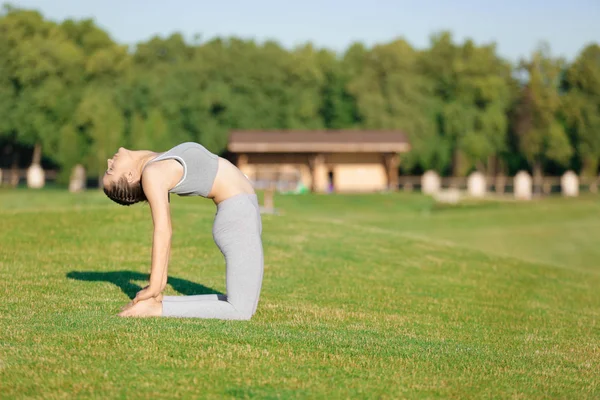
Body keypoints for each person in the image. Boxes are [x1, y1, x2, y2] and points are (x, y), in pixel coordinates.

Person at [102, 142, 264, 320]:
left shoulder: (156, 164)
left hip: (244, 213)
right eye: (111, 170)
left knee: (246, 306)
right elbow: (163, 230)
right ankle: (156, 310)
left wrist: (160, 285)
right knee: (240, 311)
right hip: (237, 220)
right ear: (130, 176)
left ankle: (154, 305)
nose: (110, 161)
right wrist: (155, 286)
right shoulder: (153, 174)